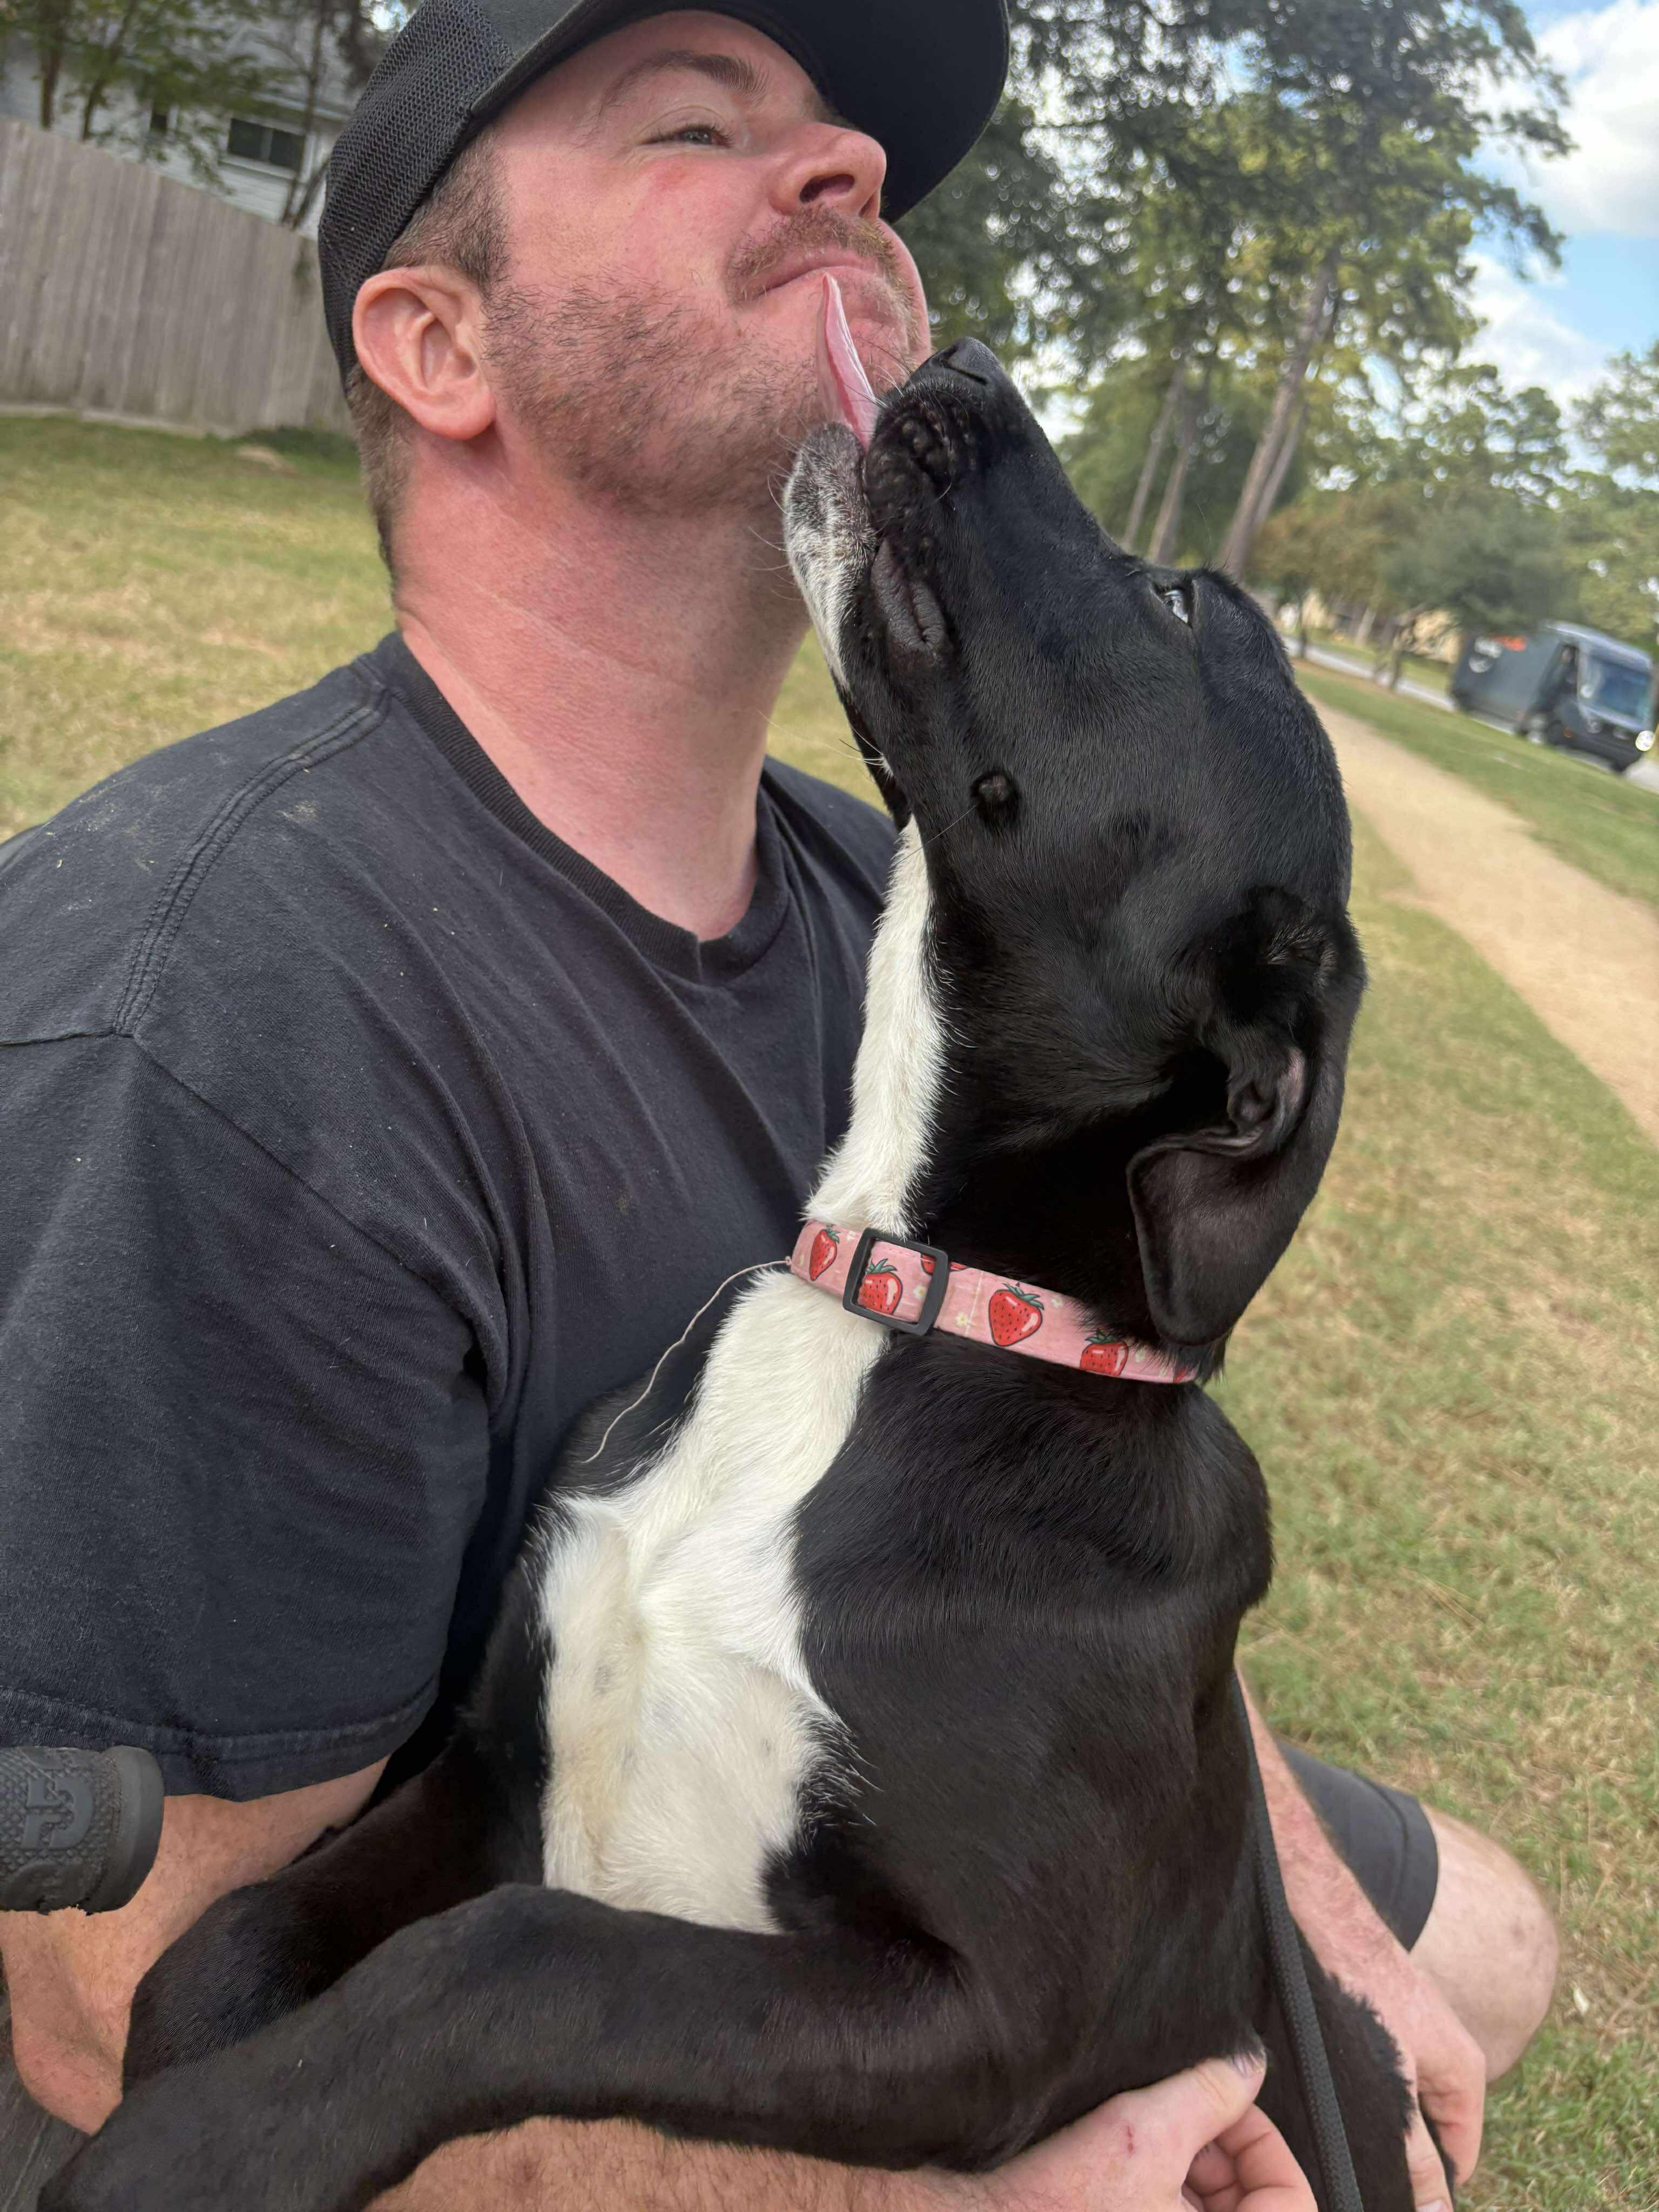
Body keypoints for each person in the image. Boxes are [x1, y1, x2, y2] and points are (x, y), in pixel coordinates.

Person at [0, 5, 1556, 2207]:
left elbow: (1082, 1558)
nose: (845, 169)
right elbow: (111, 2024)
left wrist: (1313, 1948)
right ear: (442, 343)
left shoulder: (911, 915)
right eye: (691, 127)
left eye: (839, 138)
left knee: (1491, 1939)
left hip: (913, 1800)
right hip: (642, 1987)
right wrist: (975, 2190)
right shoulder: (222, 1013)